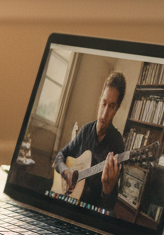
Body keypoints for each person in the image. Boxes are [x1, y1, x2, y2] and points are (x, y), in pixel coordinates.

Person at [53, 72, 127, 213]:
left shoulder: (117, 144)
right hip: (67, 203)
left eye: (111, 107)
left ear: (116, 109)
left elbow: (109, 207)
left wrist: (107, 190)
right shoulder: (86, 130)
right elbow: (59, 157)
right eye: (103, 103)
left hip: (88, 214)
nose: (104, 114)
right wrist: (66, 173)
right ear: (99, 100)